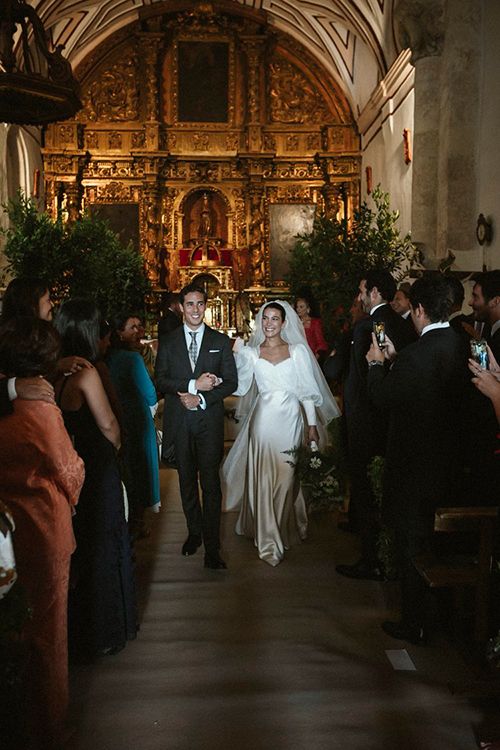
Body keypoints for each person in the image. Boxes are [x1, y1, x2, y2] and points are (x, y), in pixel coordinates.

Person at [366, 274, 467, 644]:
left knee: (413, 546)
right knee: (445, 547)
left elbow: (382, 399)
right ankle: (447, 620)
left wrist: (378, 363)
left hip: (413, 469)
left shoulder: (415, 356)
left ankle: (415, 624)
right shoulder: (463, 346)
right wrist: (397, 361)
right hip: (454, 467)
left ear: (420, 309)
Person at [0, 317, 85, 750]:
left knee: (13, 624)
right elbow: (69, 471)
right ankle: (48, 728)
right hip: (42, 526)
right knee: (48, 631)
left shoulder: (6, 400)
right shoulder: (41, 408)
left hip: (5, 523)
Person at [223, 301, 340, 566]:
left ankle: (280, 523)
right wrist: (236, 357)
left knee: (287, 478)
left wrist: (311, 425)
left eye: (275, 319)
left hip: (291, 419)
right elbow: (241, 388)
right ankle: (268, 537)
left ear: (284, 323)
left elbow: (307, 391)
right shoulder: (252, 353)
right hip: (263, 420)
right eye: (265, 318)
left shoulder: (298, 351)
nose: (269, 324)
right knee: (264, 476)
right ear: (260, 322)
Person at [54, 299, 137, 659]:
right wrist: (117, 450)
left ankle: (78, 629)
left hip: (69, 462)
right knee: (105, 540)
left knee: (80, 543)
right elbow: (109, 426)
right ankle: (104, 629)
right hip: (97, 464)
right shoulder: (87, 372)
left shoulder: (51, 372)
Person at [336, 269, 415, 581]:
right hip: (391, 422)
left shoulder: (368, 325)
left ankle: (370, 560)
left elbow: (361, 377)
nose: (359, 297)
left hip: (366, 423)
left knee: (367, 494)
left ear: (375, 292)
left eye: (362, 291)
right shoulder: (403, 324)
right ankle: (387, 557)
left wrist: (352, 418)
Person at [155, 282, 237, 569]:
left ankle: (213, 549)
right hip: (179, 422)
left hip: (208, 423)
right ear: (181, 307)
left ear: (206, 306)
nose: (194, 309)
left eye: (199, 304)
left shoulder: (219, 341)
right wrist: (192, 385)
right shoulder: (168, 341)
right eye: (189, 304)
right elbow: (161, 380)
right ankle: (194, 534)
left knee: (211, 485)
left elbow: (231, 382)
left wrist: (201, 399)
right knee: (186, 482)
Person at [107, 312, 160, 530]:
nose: (138, 331)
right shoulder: (132, 358)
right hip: (136, 417)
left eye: (140, 326)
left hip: (111, 415)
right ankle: (136, 520)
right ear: (119, 333)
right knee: (139, 469)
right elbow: (150, 394)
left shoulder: (104, 358)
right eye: (132, 327)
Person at [294, 294, 329, 360]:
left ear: (308, 309)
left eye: (301, 307)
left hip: (310, 357)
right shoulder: (295, 323)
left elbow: (320, 343)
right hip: (297, 357)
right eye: (297, 307)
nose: (298, 309)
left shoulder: (315, 323)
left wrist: (315, 359)